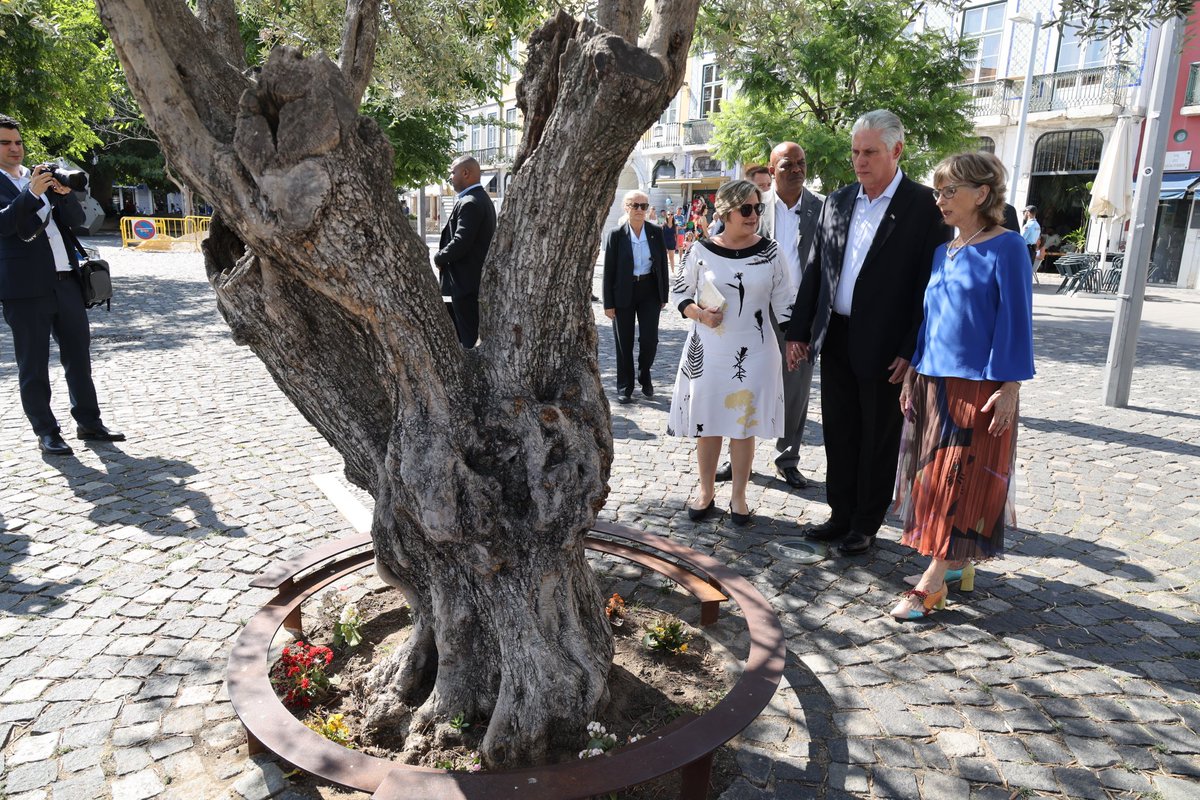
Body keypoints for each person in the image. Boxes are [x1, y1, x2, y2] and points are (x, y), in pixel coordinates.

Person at [786, 109, 949, 556]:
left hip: (886, 344)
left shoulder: (923, 208)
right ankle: (840, 514)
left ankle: (865, 523)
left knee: (878, 436)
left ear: (896, 151)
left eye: (870, 152)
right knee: (839, 431)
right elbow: (816, 270)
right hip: (836, 336)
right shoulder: (838, 202)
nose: (860, 160)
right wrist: (799, 332)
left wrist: (910, 347)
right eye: (855, 151)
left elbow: (928, 287)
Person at [890, 152, 1034, 619]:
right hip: (933, 379)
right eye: (938, 191)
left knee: (960, 479)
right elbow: (932, 320)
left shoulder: (1008, 246)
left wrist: (1010, 385)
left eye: (951, 190)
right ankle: (954, 566)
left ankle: (932, 584)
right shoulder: (942, 250)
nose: (941, 200)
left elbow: (1016, 319)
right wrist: (914, 370)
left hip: (979, 384)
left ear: (983, 193)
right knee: (932, 479)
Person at [667, 180, 794, 526]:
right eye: (746, 209)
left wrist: (799, 339)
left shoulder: (771, 251)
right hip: (709, 349)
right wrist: (699, 314)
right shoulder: (700, 250)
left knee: (743, 424)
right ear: (726, 212)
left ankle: (739, 495)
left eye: (758, 208)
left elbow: (785, 303)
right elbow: (679, 292)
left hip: (755, 350)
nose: (754, 215)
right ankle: (706, 490)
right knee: (707, 423)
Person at [0, 114, 124, 455]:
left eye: (18, 142)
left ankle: (89, 422)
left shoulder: (38, 175)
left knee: (78, 356)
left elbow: (78, 222)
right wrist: (30, 195)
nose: (15, 148)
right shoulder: (22, 185)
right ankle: (46, 431)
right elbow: (4, 226)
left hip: (67, 280)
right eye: (6, 143)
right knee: (33, 362)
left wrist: (65, 194)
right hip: (24, 288)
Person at [716, 142, 823, 490]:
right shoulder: (755, 207)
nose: (796, 170)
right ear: (772, 168)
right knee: (743, 383)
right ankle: (737, 458)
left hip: (801, 318)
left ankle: (787, 458)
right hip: (756, 314)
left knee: (795, 392)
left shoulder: (822, 209)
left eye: (801, 164)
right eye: (787, 165)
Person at [602, 190, 669, 404]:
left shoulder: (655, 232)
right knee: (624, 342)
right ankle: (625, 385)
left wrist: (663, 294)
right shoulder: (616, 234)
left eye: (643, 205)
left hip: (649, 290)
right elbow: (609, 271)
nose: (639, 210)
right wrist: (608, 303)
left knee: (650, 340)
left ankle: (644, 373)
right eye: (635, 205)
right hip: (624, 292)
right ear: (626, 207)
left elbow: (662, 266)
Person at [434, 155, 496, 348]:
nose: (450, 177)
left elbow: (461, 241)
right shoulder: (476, 198)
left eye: (453, 172)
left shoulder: (471, 201)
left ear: (466, 173)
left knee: (467, 340)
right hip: (466, 283)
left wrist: (439, 257)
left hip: (465, 284)